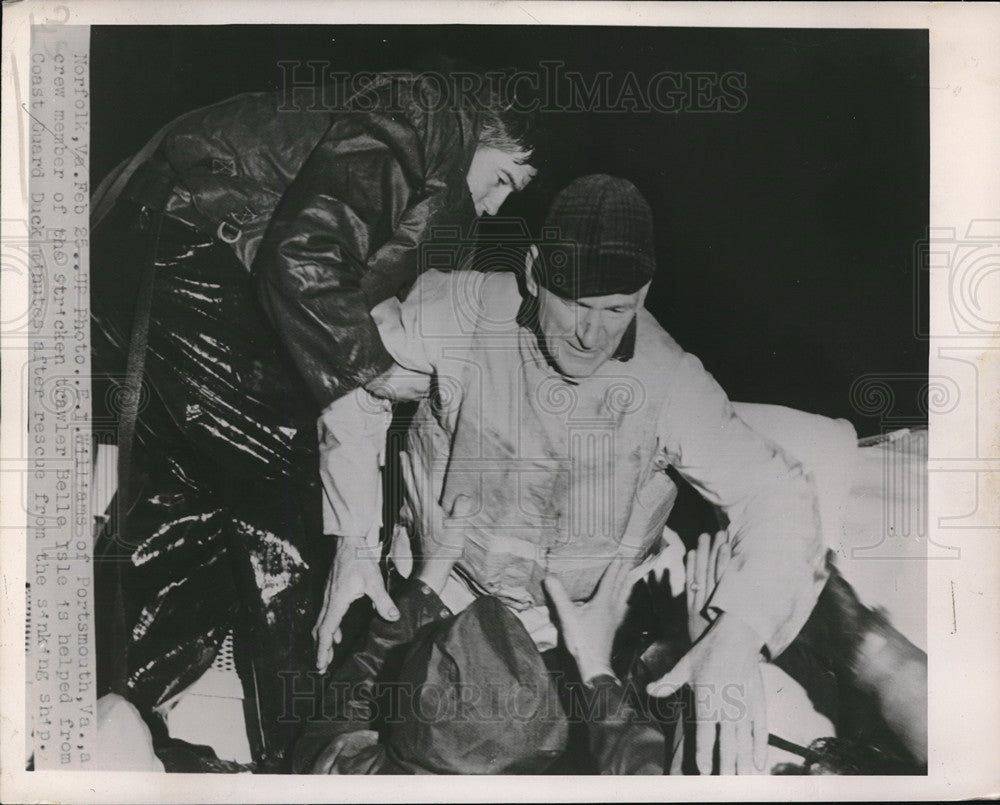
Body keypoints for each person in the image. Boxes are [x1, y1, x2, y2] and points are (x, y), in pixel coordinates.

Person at [90, 63, 538, 771]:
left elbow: (340, 279)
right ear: (494, 137)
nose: (490, 209)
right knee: (293, 501)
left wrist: (375, 365)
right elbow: (305, 256)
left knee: (191, 493)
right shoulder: (425, 116)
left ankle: (109, 713)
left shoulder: (422, 169)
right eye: (507, 182)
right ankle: (309, 758)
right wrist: (371, 370)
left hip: (166, 241)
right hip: (194, 241)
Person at [316, 174, 828, 773]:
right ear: (534, 272)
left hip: (583, 633)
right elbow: (349, 378)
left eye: (618, 309)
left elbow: (780, 495)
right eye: (576, 303)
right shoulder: (459, 313)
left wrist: (739, 632)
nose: (593, 334)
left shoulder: (670, 382)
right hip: (439, 598)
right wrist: (353, 543)